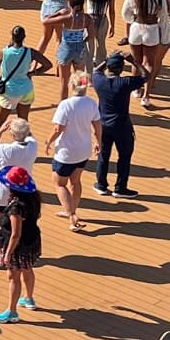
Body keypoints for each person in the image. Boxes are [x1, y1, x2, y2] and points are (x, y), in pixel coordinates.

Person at [45, 76, 101, 232]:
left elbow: (58, 129)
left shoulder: (66, 105)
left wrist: (48, 141)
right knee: (75, 181)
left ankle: (71, 215)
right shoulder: (91, 103)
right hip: (83, 150)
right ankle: (71, 209)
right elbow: (97, 125)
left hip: (66, 152)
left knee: (59, 183)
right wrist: (99, 142)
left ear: (72, 85)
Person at [0, 165, 43, 325]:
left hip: (18, 246)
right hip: (32, 240)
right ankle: (29, 298)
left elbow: (16, 234)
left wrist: (7, 254)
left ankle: (12, 311)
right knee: (27, 269)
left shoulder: (16, 207)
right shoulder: (34, 197)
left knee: (14, 277)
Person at [93, 51, 146, 197]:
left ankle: (101, 185)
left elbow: (96, 70)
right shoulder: (125, 83)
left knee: (103, 156)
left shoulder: (99, 80)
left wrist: (107, 59)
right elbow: (145, 75)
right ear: (121, 69)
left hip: (103, 125)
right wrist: (134, 61)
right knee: (124, 156)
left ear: (108, 68)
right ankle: (120, 187)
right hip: (122, 126)